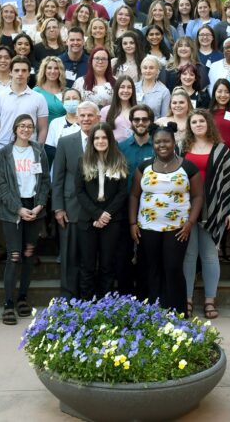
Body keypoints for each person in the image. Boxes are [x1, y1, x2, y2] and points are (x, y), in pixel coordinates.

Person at [128, 123, 204, 315]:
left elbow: (198, 197)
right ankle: (151, 312)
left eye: (166, 141)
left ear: (174, 142)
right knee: (151, 269)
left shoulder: (187, 167)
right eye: (158, 142)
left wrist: (190, 223)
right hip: (147, 227)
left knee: (172, 268)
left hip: (177, 228)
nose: (162, 145)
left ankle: (177, 312)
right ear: (153, 144)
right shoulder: (144, 166)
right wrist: (132, 223)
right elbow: (134, 195)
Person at [181, 110, 230, 319]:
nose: (198, 124)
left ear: (208, 124)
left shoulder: (221, 150)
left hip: (214, 208)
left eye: (201, 121)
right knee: (188, 255)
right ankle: (186, 300)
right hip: (186, 208)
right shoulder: (182, 148)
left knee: (209, 254)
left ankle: (209, 301)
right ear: (190, 126)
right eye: (194, 121)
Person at [0, 117, 50, 324]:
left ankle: (22, 298)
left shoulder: (38, 151)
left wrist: (39, 205)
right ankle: (8, 303)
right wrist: (17, 209)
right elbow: (0, 185)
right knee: (14, 255)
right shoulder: (5, 153)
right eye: (22, 126)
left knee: (28, 254)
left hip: (34, 208)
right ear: (15, 129)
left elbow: (45, 181)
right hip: (12, 210)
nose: (26, 129)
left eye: (30, 127)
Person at [75, 123, 130, 300]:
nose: (100, 141)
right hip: (88, 220)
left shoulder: (119, 160)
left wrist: (106, 214)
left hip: (111, 220)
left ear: (110, 140)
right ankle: (85, 304)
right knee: (87, 265)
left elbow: (122, 193)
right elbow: (79, 192)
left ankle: (104, 305)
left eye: (104, 137)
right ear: (92, 141)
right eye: (97, 138)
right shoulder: (83, 160)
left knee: (107, 265)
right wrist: (97, 214)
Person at [52, 101, 101, 299]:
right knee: (70, 257)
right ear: (77, 118)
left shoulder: (104, 141)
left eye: (90, 115)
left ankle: (92, 298)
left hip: (97, 209)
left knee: (92, 257)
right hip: (70, 208)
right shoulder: (66, 141)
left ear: (98, 118)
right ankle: (68, 298)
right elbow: (58, 178)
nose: (86, 119)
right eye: (82, 116)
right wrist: (58, 208)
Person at [0, 56, 49, 150]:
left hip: (30, 149)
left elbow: (43, 128)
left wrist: (38, 150)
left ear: (29, 73)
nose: (20, 74)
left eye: (24, 70)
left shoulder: (39, 98)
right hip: (3, 148)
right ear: (10, 72)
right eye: (16, 70)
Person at [101, 76, 137, 142]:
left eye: (129, 87)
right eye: (122, 87)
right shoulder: (105, 111)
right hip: (114, 149)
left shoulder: (138, 111)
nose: (126, 90)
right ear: (117, 89)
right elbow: (102, 133)